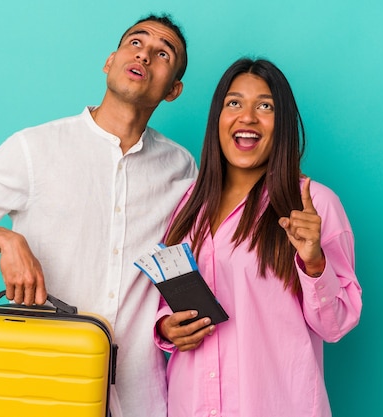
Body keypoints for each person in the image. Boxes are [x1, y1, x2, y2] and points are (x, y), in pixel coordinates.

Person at [0, 14, 197, 417]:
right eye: (135, 43)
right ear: (110, 61)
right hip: (46, 385)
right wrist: (7, 240)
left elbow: (179, 261)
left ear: (173, 90)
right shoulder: (35, 147)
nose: (144, 54)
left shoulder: (180, 166)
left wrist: (171, 323)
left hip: (139, 394)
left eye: (163, 54)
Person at [155, 58, 362, 417]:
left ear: (282, 124)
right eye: (234, 103)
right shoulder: (187, 204)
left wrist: (314, 261)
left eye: (265, 106)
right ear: (217, 118)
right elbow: (172, 295)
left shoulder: (314, 206)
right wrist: (167, 328)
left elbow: (336, 325)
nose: (247, 116)